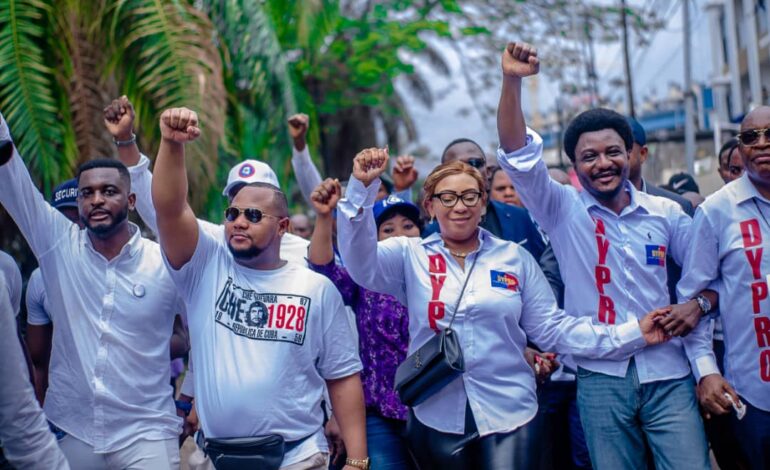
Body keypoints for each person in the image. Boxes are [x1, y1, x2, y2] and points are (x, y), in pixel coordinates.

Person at [337, 147, 670, 469]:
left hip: (510, 411)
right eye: (448, 198)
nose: (460, 206)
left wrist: (632, 333)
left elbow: (552, 330)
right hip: (435, 415)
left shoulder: (514, 258)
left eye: (470, 196)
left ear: (483, 203)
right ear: (430, 205)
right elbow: (360, 264)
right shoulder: (409, 256)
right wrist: (361, 188)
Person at [495, 42, 717, 470]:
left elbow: (708, 279)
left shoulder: (667, 213)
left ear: (631, 153)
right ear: (574, 166)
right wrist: (512, 81)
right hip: (599, 377)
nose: (603, 163)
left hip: (669, 373)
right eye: (589, 156)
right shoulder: (561, 208)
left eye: (613, 152)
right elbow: (519, 157)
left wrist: (699, 305)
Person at [150, 107, 368, 470]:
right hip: (217, 458)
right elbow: (169, 209)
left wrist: (358, 461)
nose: (238, 222)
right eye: (232, 213)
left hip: (297, 458)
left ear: (283, 226)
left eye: (253, 216)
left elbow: (343, 376)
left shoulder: (315, 287)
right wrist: (172, 145)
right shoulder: (204, 265)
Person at [0, 115, 183, 468]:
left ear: (131, 200)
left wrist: (190, 397)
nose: (96, 199)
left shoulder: (163, 261)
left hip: (146, 431)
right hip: (73, 427)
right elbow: (13, 182)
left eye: (108, 191)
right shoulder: (57, 244)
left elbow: (200, 334)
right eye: (88, 193)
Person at [104, 96, 310, 264]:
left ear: (279, 217)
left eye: (255, 212)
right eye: (236, 197)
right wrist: (125, 141)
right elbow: (163, 210)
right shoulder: (213, 242)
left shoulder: (304, 254)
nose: (243, 211)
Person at [676, 105, 770, 469]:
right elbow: (693, 299)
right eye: (750, 137)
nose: (761, 144)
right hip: (753, 393)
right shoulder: (716, 211)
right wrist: (707, 372)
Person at [308, 180, 419, 470]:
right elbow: (324, 270)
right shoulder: (364, 278)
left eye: (408, 226)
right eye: (388, 229)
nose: (400, 236)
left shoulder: (438, 272)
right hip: (377, 411)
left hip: (434, 406)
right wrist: (323, 218)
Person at [0, 272, 71, 470]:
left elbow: (19, 413)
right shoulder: (42, 279)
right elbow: (37, 361)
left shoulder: (5, 270)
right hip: (64, 425)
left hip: (138, 426)